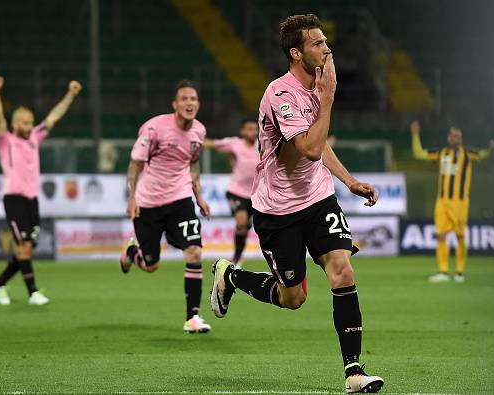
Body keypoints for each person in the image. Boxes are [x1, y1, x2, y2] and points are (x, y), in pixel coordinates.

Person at [210, 14, 384, 393]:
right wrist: (328, 98)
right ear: (296, 52)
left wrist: (349, 181)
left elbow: (320, 148)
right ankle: (231, 275)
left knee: (343, 271)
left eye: (326, 41)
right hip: (278, 211)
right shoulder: (281, 94)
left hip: (319, 199)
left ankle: (353, 371)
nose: (327, 48)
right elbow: (308, 148)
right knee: (293, 298)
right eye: (318, 43)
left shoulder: (317, 88)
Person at [120, 80, 212, 334]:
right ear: (175, 105)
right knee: (151, 265)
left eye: (193, 99)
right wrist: (131, 197)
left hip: (180, 201)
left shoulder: (199, 132)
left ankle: (192, 317)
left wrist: (199, 197)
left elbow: (192, 164)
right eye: (184, 99)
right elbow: (135, 164)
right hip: (148, 203)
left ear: (198, 104)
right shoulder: (154, 128)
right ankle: (132, 254)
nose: (189, 103)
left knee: (194, 252)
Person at [0, 75, 82, 305]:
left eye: (31, 122)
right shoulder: (6, 140)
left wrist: (70, 94)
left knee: (27, 249)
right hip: (14, 199)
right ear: (15, 124)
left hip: (32, 200)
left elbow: (54, 116)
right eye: (25, 123)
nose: (30, 126)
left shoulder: (35, 138)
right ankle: (32, 292)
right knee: (23, 247)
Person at [410, 120, 494, 282]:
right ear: (449, 137)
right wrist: (415, 134)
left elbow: (484, 155)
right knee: (441, 236)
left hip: (460, 202)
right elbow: (418, 153)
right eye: (453, 135)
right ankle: (443, 272)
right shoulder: (441, 153)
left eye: (458, 136)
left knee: (460, 236)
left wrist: (491, 149)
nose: (455, 138)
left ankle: (459, 272)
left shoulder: (468, 153)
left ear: (461, 139)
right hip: (442, 202)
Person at [203, 118, 259, 266]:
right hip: (237, 191)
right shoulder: (234, 143)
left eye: (255, 129)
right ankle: (236, 258)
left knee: (251, 226)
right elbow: (211, 144)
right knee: (241, 222)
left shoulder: (262, 146)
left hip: (257, 194)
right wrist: (192, 140)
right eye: (249, 129)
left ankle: (240, 253)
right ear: (242, 131)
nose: (253, 132)